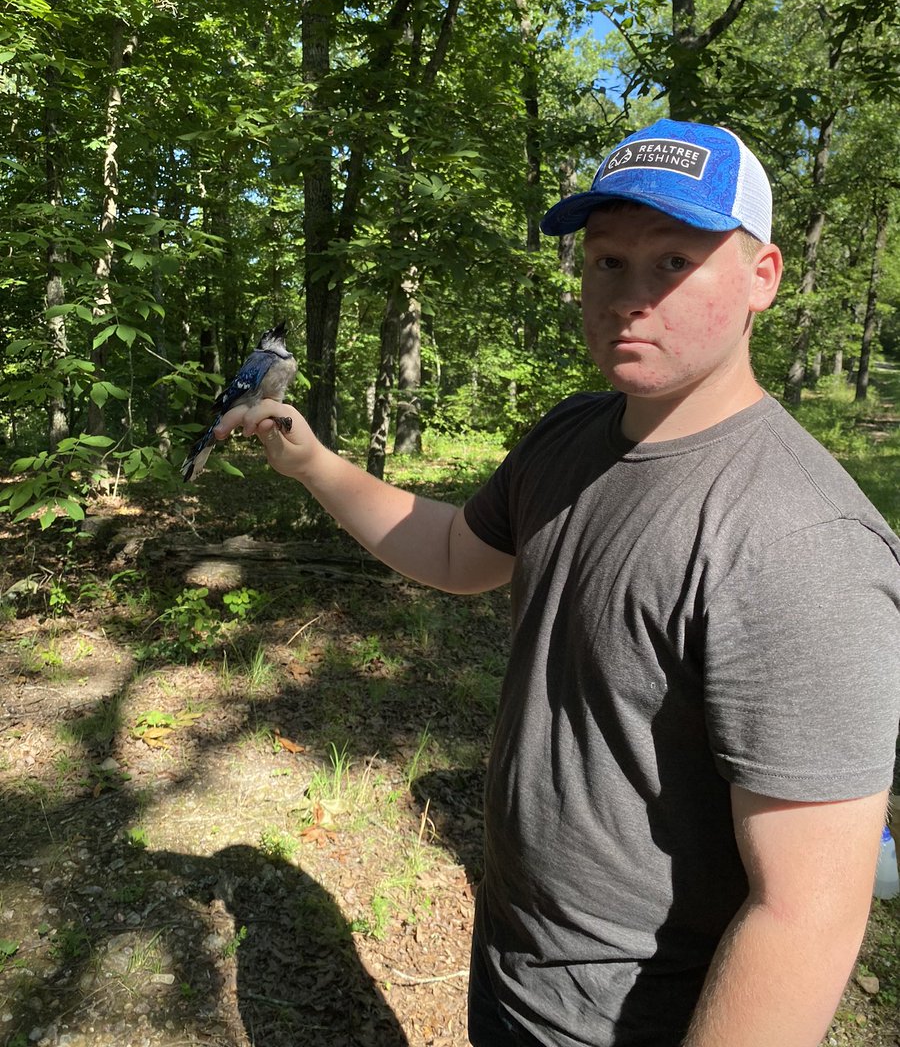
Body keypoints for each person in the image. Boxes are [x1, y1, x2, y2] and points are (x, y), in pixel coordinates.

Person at [214, 119, 900, 1047]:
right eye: (608, 262)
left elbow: (806, 914)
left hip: (635, 1017)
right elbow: (456, 552)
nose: (630, 298)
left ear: (762, 278)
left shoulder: (801, 542)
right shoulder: (572, 435)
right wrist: (313, 464)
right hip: (515, 962)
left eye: (673, 262)